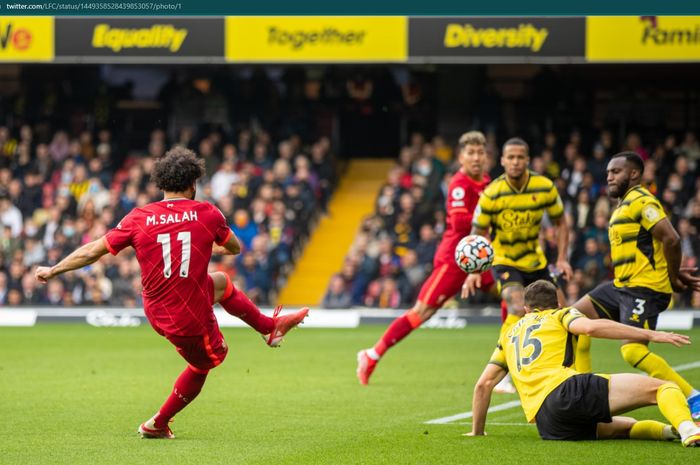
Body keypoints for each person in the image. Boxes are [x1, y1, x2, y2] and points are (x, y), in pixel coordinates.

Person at [35, 147, 309, 439]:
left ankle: (270, 328)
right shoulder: (207, 213)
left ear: (161, 183)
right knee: (208, 360)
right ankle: (156, 424)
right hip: (186, 317)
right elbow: (235, 248)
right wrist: (204, 242)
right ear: (193, 184)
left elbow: (92, 251)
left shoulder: (139, 216)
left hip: (157, 309)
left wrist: (53, 269)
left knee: (220, 283)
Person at [468, 280, 700, 447]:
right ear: (557, 304)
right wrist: (650, 334)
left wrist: (477, 432)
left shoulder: (508, 335)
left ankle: (671, 431)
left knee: (625, 427)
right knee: (663, 388)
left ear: (527, 309)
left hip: (547, 422)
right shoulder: (560, 315)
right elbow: (589, 327)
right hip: (567, 391)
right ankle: (689, 430)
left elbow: (483, 384)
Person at [356, 131, 496, 385]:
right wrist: (492, 212)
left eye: (480, 152)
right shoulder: (459, 184)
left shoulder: (487, 181)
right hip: (456, 259)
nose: (476, 157)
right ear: (461, 157)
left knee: (512, 295)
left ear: (486, 156)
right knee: (422, 312)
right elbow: (459, 220)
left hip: (483, 256)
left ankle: (510, 367)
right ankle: (372, 354)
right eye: (470, 153)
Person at [571, 151, 700, 419]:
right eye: (607, 173)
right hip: (621, 286)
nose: (609, 177)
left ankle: (692, 397)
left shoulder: (643, 201)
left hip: (645, 288)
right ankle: (582, 392)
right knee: (574, 319)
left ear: (634, 174)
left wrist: (673, 276)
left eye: (615, 172)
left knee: (631, 350)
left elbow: (672, 239)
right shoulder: (623, 205)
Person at [463, 137, 573, 393]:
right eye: (510, 157)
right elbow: (477, 232)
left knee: (564, 311)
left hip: (536, 261)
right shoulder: (492, 192)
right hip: (505, 261)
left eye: (519, 157)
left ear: (527, 160)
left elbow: (561, 223)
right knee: (515, 304)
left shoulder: (544, 187)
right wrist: (474, 270)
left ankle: (569, 371)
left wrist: (562, 258)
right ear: (501, 161)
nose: (514, 162)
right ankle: (503, 373)